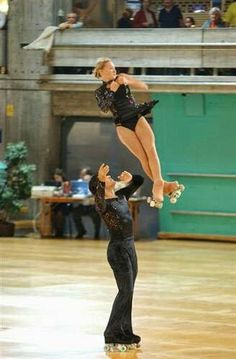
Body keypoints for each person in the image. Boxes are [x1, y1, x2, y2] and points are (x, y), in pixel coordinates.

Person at [93, 57, 183, 208]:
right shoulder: (100, 91)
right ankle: (164, 186)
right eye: (110, 68)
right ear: (101, 71)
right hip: (122, 124)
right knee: (143, 157)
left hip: (136, 116)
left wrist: (128, 81)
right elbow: (104, 108)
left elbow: (144, 86)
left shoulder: (122, 77)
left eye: (114, 67)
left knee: (151, 151)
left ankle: (159, 184)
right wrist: (113, 89)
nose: (114, 70)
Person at [89, 163, 143, 351]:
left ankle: (125, 331)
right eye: (107, 178)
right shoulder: (102, 205)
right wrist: (99, 179)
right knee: (125, 290)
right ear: (101, 186)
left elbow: (139, 180)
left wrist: (129, 179)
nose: (111, 177)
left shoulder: (121, 196)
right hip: (118, 250)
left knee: (130, 291)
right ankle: (111, 332)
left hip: (130, 247)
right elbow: (97, 193)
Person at [72, 167, 101, 239]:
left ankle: (97, 234)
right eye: (81, 174)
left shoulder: (95, 181)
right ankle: (81, 231)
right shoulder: (79, 182)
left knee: (96, 216)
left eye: (83, 174)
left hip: (92, 206)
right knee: (75, 213)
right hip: (83, 205)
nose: (81, 175)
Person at [50, 168, 71, 238]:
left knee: (60, 214)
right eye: (55, 178)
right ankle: (55, 230)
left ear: (61, 176)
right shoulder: (53, 184)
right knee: (52, 213)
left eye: (57, 177)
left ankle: (60, 232)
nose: (56, 179)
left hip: (64, 204)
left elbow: (67, 194)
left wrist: (62, 189)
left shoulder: (66, 183)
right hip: (55, 203)